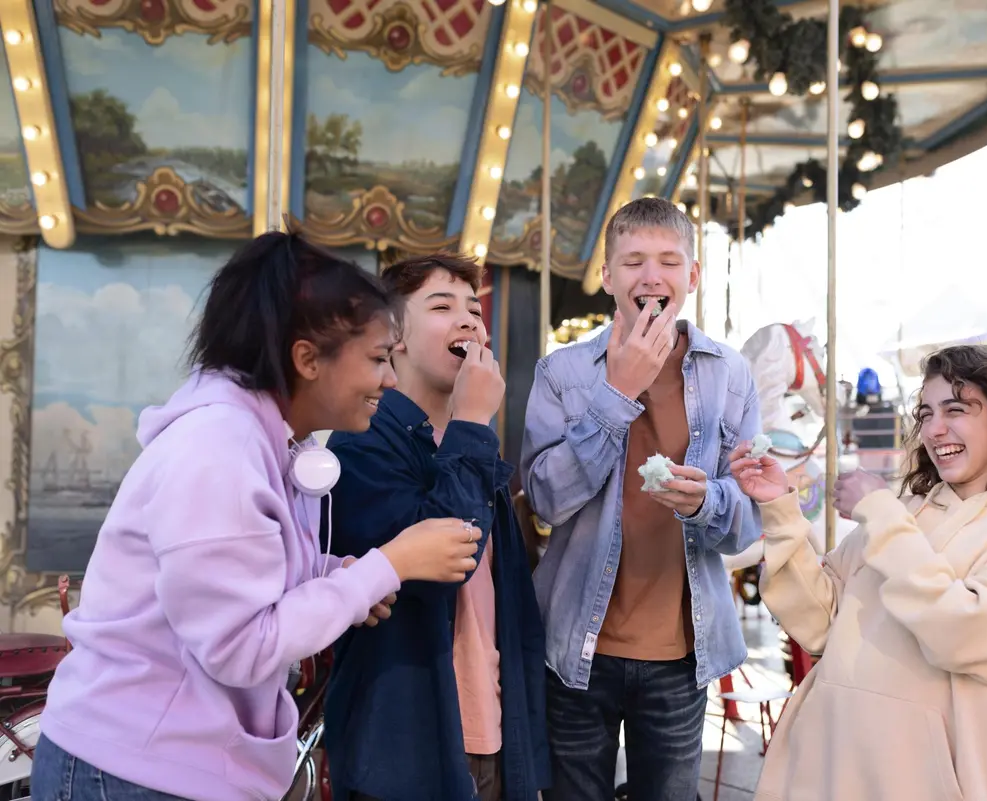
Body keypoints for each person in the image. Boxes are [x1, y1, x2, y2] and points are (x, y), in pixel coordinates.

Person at [30, 232, 482, 801]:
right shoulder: (219, 448)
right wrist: (386, 566)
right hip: (134, 768)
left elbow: (248, 580)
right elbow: (241, 645)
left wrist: (334, 572)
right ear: (307, 358)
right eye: (375, 360)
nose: (387, 380)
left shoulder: (262, 441)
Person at [731, 344, 987, 801]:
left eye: (956, 410)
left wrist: (881, 515)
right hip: (828, 758)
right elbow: (818, 623)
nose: (935, 429)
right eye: (925, 413)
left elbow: (964, 631)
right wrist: (779, 509)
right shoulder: (904, 514)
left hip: (926, 777)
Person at [520, 197, 761, 801]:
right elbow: (545, 500)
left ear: (692, 277)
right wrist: (619, 391)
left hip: (683, 653)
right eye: (632, 262)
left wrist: (708, 501)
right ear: (607, 277)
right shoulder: (563, 374)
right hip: (577, 645)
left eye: (668, 261)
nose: (651, 276)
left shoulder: (729, 373)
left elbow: (747, 521)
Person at [322, 254, 549, 801]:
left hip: (490, 727)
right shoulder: (363, 441)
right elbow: (435, 569)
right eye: (442, 306)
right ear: (393, 335)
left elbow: (507, 608)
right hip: (406, 745)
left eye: (474, 307)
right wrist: (472, 423)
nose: (470, 320)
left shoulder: (473, 446)